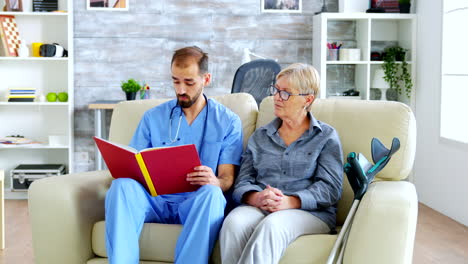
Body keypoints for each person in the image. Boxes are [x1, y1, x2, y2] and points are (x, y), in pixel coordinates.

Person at [105, 46, 244, 264]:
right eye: (175, 81)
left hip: (195, 203)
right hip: (155, 201)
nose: (180, 89)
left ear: (206, 79)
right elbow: (134, 163)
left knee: (213, 194)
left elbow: (227, 178)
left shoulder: (228, 121)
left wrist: (215, 181)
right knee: (121, 185)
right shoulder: (153, 117)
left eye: (189, 82)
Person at [219, 63, 343, 264]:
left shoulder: (326, 137)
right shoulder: (260, 136)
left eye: (285, 93)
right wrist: (256, 198)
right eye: (276, 90)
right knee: (234, 223)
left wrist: (290, 201)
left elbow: (330, 189)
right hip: (261, 205)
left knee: (272, 226)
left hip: (309, 212)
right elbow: (243, 181)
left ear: (307, 99)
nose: (276, 97)